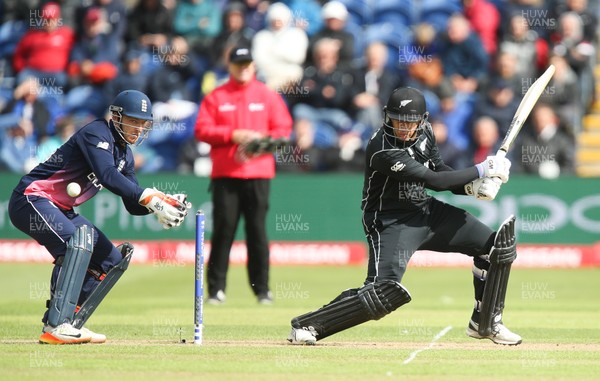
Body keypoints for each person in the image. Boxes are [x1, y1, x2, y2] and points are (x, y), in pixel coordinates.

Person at [287, 87, 522, 346]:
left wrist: (471, 188)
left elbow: (439, 170)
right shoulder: (382, 148)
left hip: (425, 210)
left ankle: (486, 322)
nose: (404, 128)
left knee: (496, 249)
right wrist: (482, 169)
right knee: (381, 294)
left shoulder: (427, 133)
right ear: (388, 117)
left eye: (410, 123)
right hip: (390, 221)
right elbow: (434, 179)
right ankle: (309, 325)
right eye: (398, 121)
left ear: (422, 120)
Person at [7, 90, 191, 345]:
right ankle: (56, 324)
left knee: (110, 259)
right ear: (116, 116)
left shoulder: (125, 155)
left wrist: (160, 203)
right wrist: (149, 197)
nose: (138, 129)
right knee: (75, 243)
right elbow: (107, 175)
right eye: (133, 121)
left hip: (61, 208)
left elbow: (132, 204)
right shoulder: (96, 132)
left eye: (143, 123)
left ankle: (70, 322)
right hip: (31, 199)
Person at [195, 45, 292, 305]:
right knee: (224, 231)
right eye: (239, 63)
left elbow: (283, 129)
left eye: (247, 63)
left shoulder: (267, 95)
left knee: (257, 232)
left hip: (258, 173)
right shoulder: (216, 96)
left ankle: (262, 290)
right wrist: (231, 135)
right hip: (226, 173)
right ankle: (216, 290)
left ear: (254, 66)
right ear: (230, 66)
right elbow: (202, 130)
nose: (243, 68)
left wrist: (264, 139)